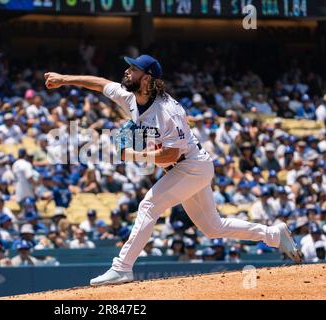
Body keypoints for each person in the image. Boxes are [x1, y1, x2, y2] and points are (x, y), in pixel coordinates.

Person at [44, 54, 302, 286]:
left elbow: (172, 154)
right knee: (213, 227)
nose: (126, 72)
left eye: (132, 69)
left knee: (148, 205)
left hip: (191, 165)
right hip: (183, 169)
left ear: (146, 79)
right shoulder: (130, 97)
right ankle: (273, 234)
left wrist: (133, 154)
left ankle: (122, 268)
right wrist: (64, 79)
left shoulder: (168, 111)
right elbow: (99, 83)